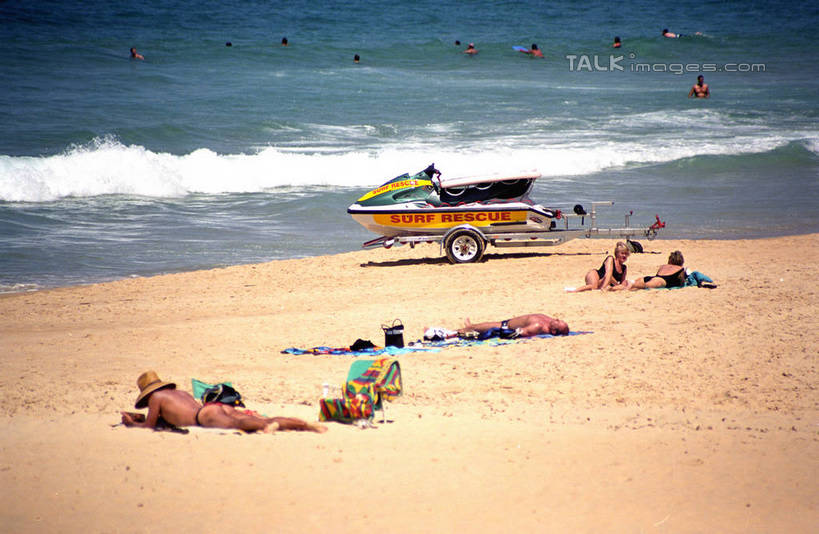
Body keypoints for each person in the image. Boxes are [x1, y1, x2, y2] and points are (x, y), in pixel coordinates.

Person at [121, 371, 327, 433]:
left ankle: (266, 426)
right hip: (214, 407)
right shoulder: (180, 393)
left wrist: (133, 424)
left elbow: (149, 426)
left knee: (239, 425)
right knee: (251, 417)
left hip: (203, 417)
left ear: (148, 394)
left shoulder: (156, 398)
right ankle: (305, 425)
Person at [458, 313, 570, 338]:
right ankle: (471, 326)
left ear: (554, 331)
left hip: (504, 326)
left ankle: (465, 329)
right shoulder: (549, 321)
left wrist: (497, 332)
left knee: (474, 328)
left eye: (559, 322)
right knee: (476, 327)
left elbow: (519, 333)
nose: (557, 319)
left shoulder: (537, 327)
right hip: (507, 322)